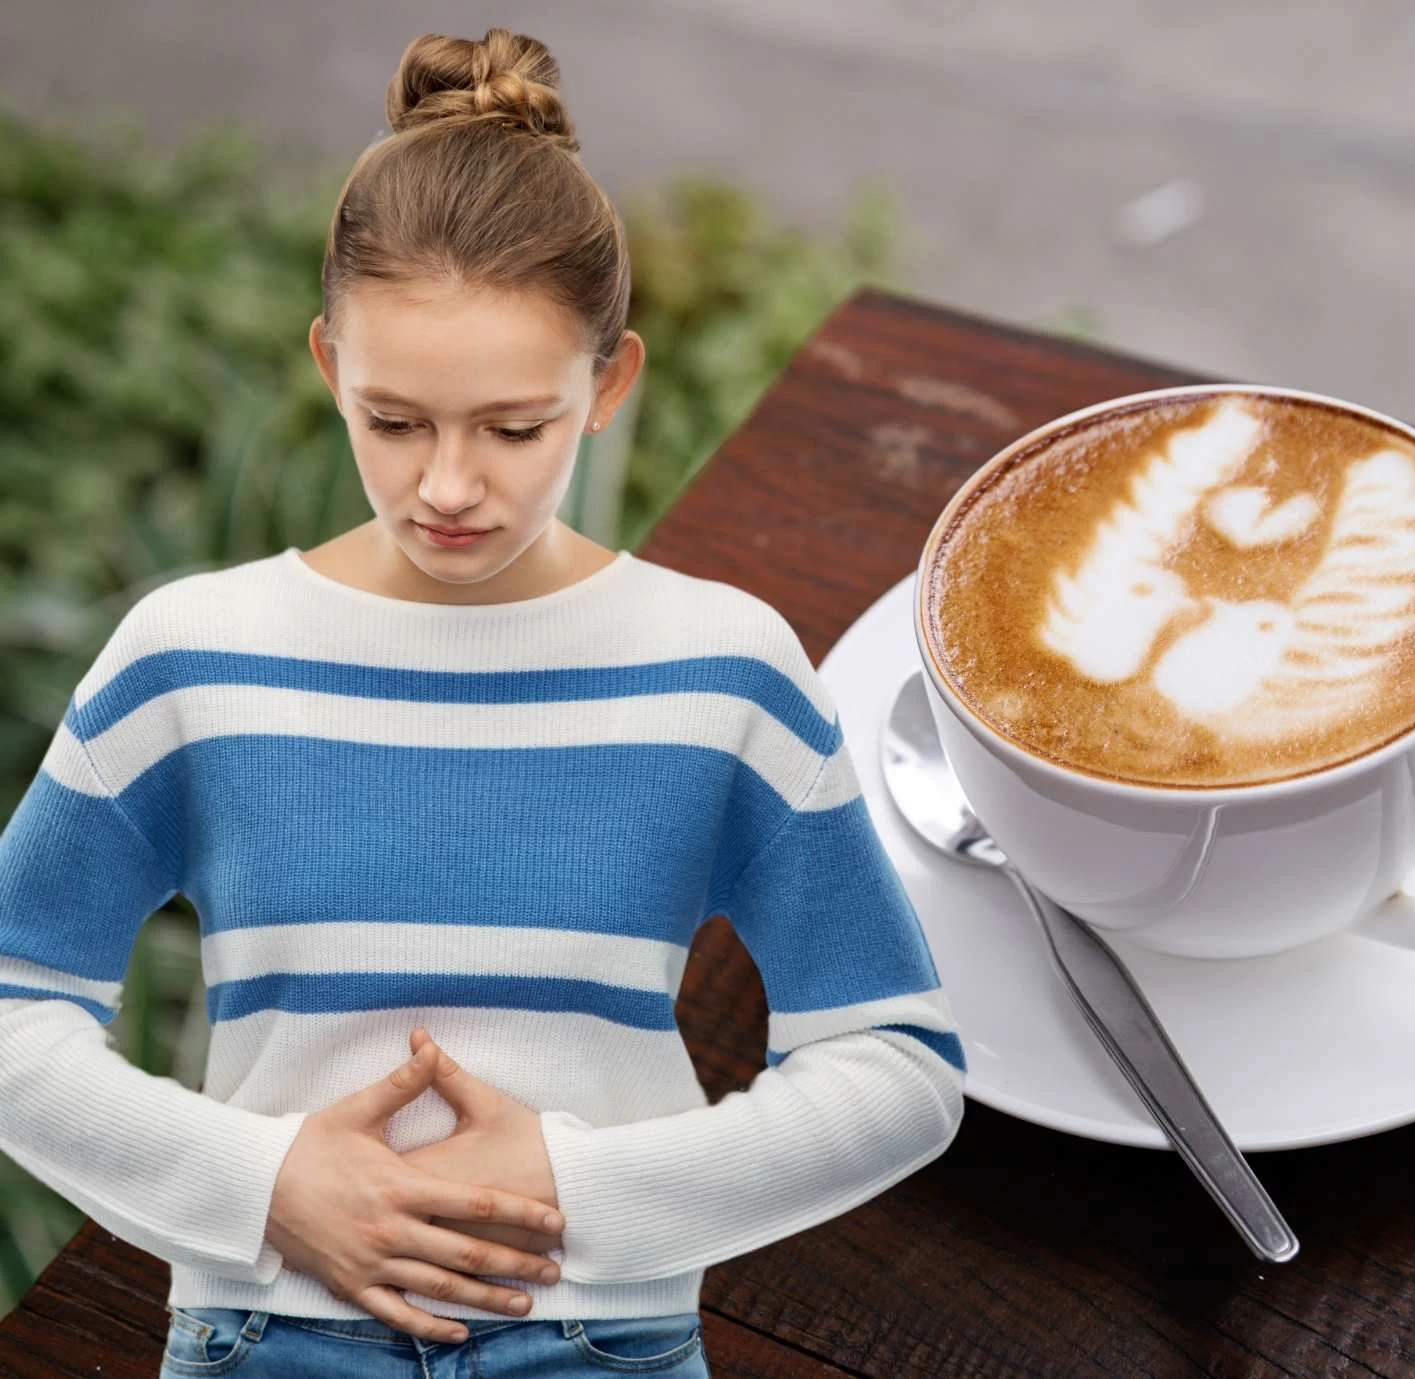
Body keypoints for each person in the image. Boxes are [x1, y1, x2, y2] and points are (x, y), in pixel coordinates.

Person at [0, 24, 967, 1379]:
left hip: (599, 1335)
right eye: (396, 420)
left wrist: (587, 1193)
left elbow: (897, 1062)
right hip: (265, 1331)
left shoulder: (725, 667)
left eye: (513, 427)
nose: (449, 484)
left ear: (609, 386)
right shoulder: (190, 657)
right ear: (331, 368)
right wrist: (262, 1183)